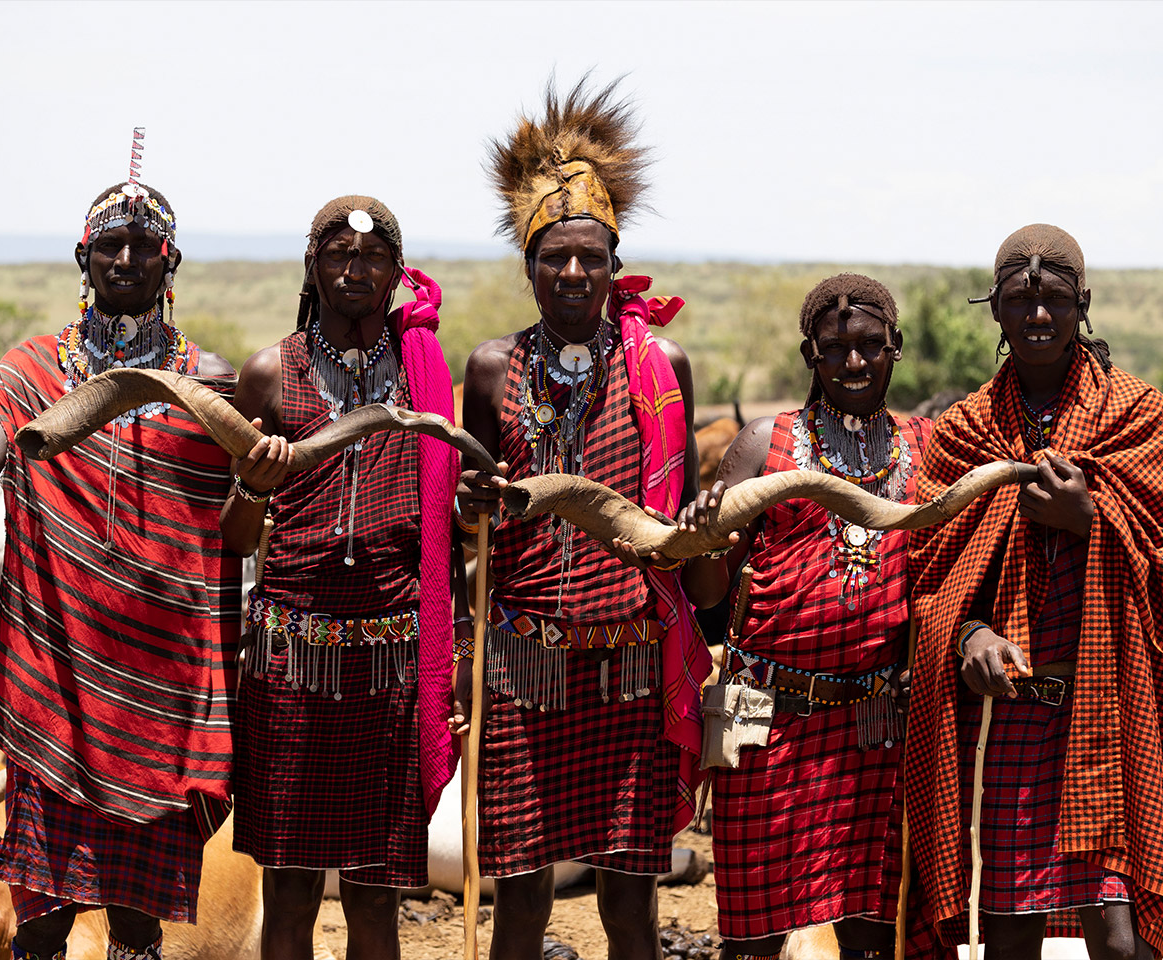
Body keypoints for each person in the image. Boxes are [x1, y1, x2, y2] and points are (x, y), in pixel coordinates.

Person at [453, 78, 709, 960]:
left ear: (613, 262)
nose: (570, 273)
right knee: (519, 905)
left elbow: (677, 512)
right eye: (552, 257)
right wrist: (473, 507)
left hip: (629, 671)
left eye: (588, 257)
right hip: (523, 671)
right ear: (527, 266)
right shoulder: (491, 370)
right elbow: (466, 515)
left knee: (629, 911)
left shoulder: (659, 363)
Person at [0, 176, 238, 960]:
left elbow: (241, 527)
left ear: (169, 261)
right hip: (55, 680)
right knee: (43, 917)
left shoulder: (208, 384)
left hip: (162, 686)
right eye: (110, 244)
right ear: (83, 258)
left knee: (137, 921)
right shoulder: (31, 371)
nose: (127, 256)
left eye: (144, 245)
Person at [905, 224, 1163, 959]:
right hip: (1004, 719)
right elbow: (930, 573)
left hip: (1110, 708)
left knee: (1120, 937)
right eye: (1020, 300)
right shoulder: (962, 433)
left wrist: (1094, 520)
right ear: (996, 311)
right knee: (1008, 933)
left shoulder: (1139, 417)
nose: (1038, 316)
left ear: (1084, 303)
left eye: (1053, 299)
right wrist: (969, 635)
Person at [222, 196, 460, 960]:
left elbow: (449, 524)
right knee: (288, 891)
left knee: (375, 897)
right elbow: (232, 538)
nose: (355, 270)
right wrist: (255, 488)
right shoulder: (268, 374)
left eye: (373, 258)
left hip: (392, 663)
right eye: (338, 255)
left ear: (396, 272)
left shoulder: (425, 375)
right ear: (312, 265)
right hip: (291, 661)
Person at [681, 274, 930, 960]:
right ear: (810, 356)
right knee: (753, 937)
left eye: (870, 346)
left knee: (872, 932)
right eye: (835, 348)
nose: (854, 362)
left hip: (876, 724)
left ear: (896, 347)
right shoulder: (766, 444)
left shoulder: (927, 447)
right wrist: (706, 538)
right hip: (766, 721)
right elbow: (705, 594)